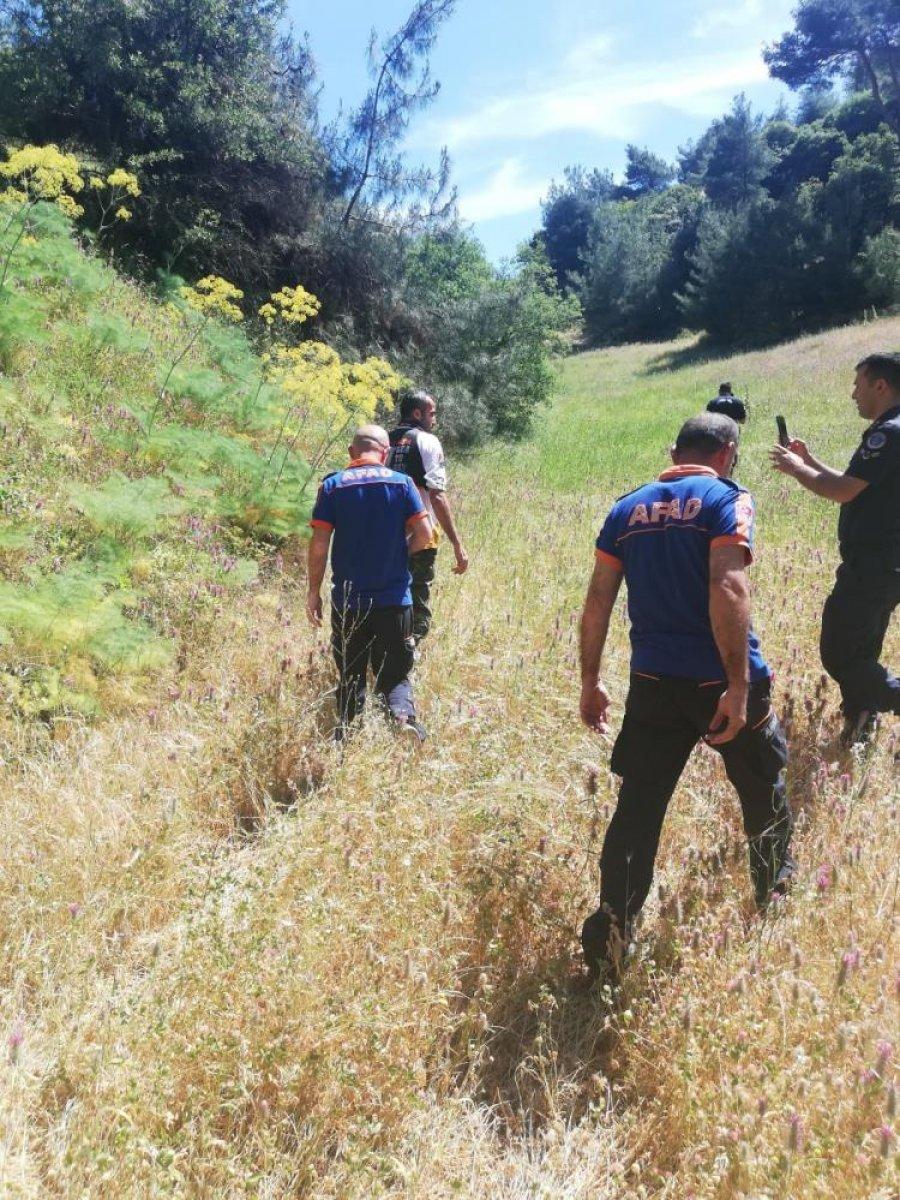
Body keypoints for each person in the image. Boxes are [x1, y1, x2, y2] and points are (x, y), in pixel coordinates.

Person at [579, 413, 795, 980]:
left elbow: (598, 599)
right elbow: (727, 584)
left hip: (651, 682)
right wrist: (739, 684)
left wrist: (590, 680)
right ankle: (775, 900)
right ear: (728, 451)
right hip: (717, 682)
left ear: (675, 452)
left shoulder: (627, 508)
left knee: (639, 808)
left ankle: (613, 930)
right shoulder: (728, 499)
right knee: (761, 786)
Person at [770, 353, 900, 745]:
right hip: (886, 563)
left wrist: (795, 469)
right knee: (861, 651)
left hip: (873, 564)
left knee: (841, 655)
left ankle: (878, 710)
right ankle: (860, 730)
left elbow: (843, 491)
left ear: (880, 385)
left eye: (858, 384)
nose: (853, 394)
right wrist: (808, 461)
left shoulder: (888, 433)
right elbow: (854, 482)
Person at [307, 424, 434, 740]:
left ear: (352, 452)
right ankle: (403, 721)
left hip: (349, 604)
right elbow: (426, 536)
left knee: (351, 674)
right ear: (386, 453)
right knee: (394, 674)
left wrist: (313, 592)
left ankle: (346, 737)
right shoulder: (403, 484)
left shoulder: (332, 487)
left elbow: (319, 543)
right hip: (394, 600)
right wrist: (399, 553)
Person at [387, 389, 469, 645]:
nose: (434, 419)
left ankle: (387, 650)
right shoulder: (427, 441)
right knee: (417, 598)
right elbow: (437, 496)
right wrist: (457, 543)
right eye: (431, 413)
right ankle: (408, 656)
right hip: (421, 535)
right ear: (417, 413)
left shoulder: (382, 441)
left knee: (387, 596)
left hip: (385, 534)